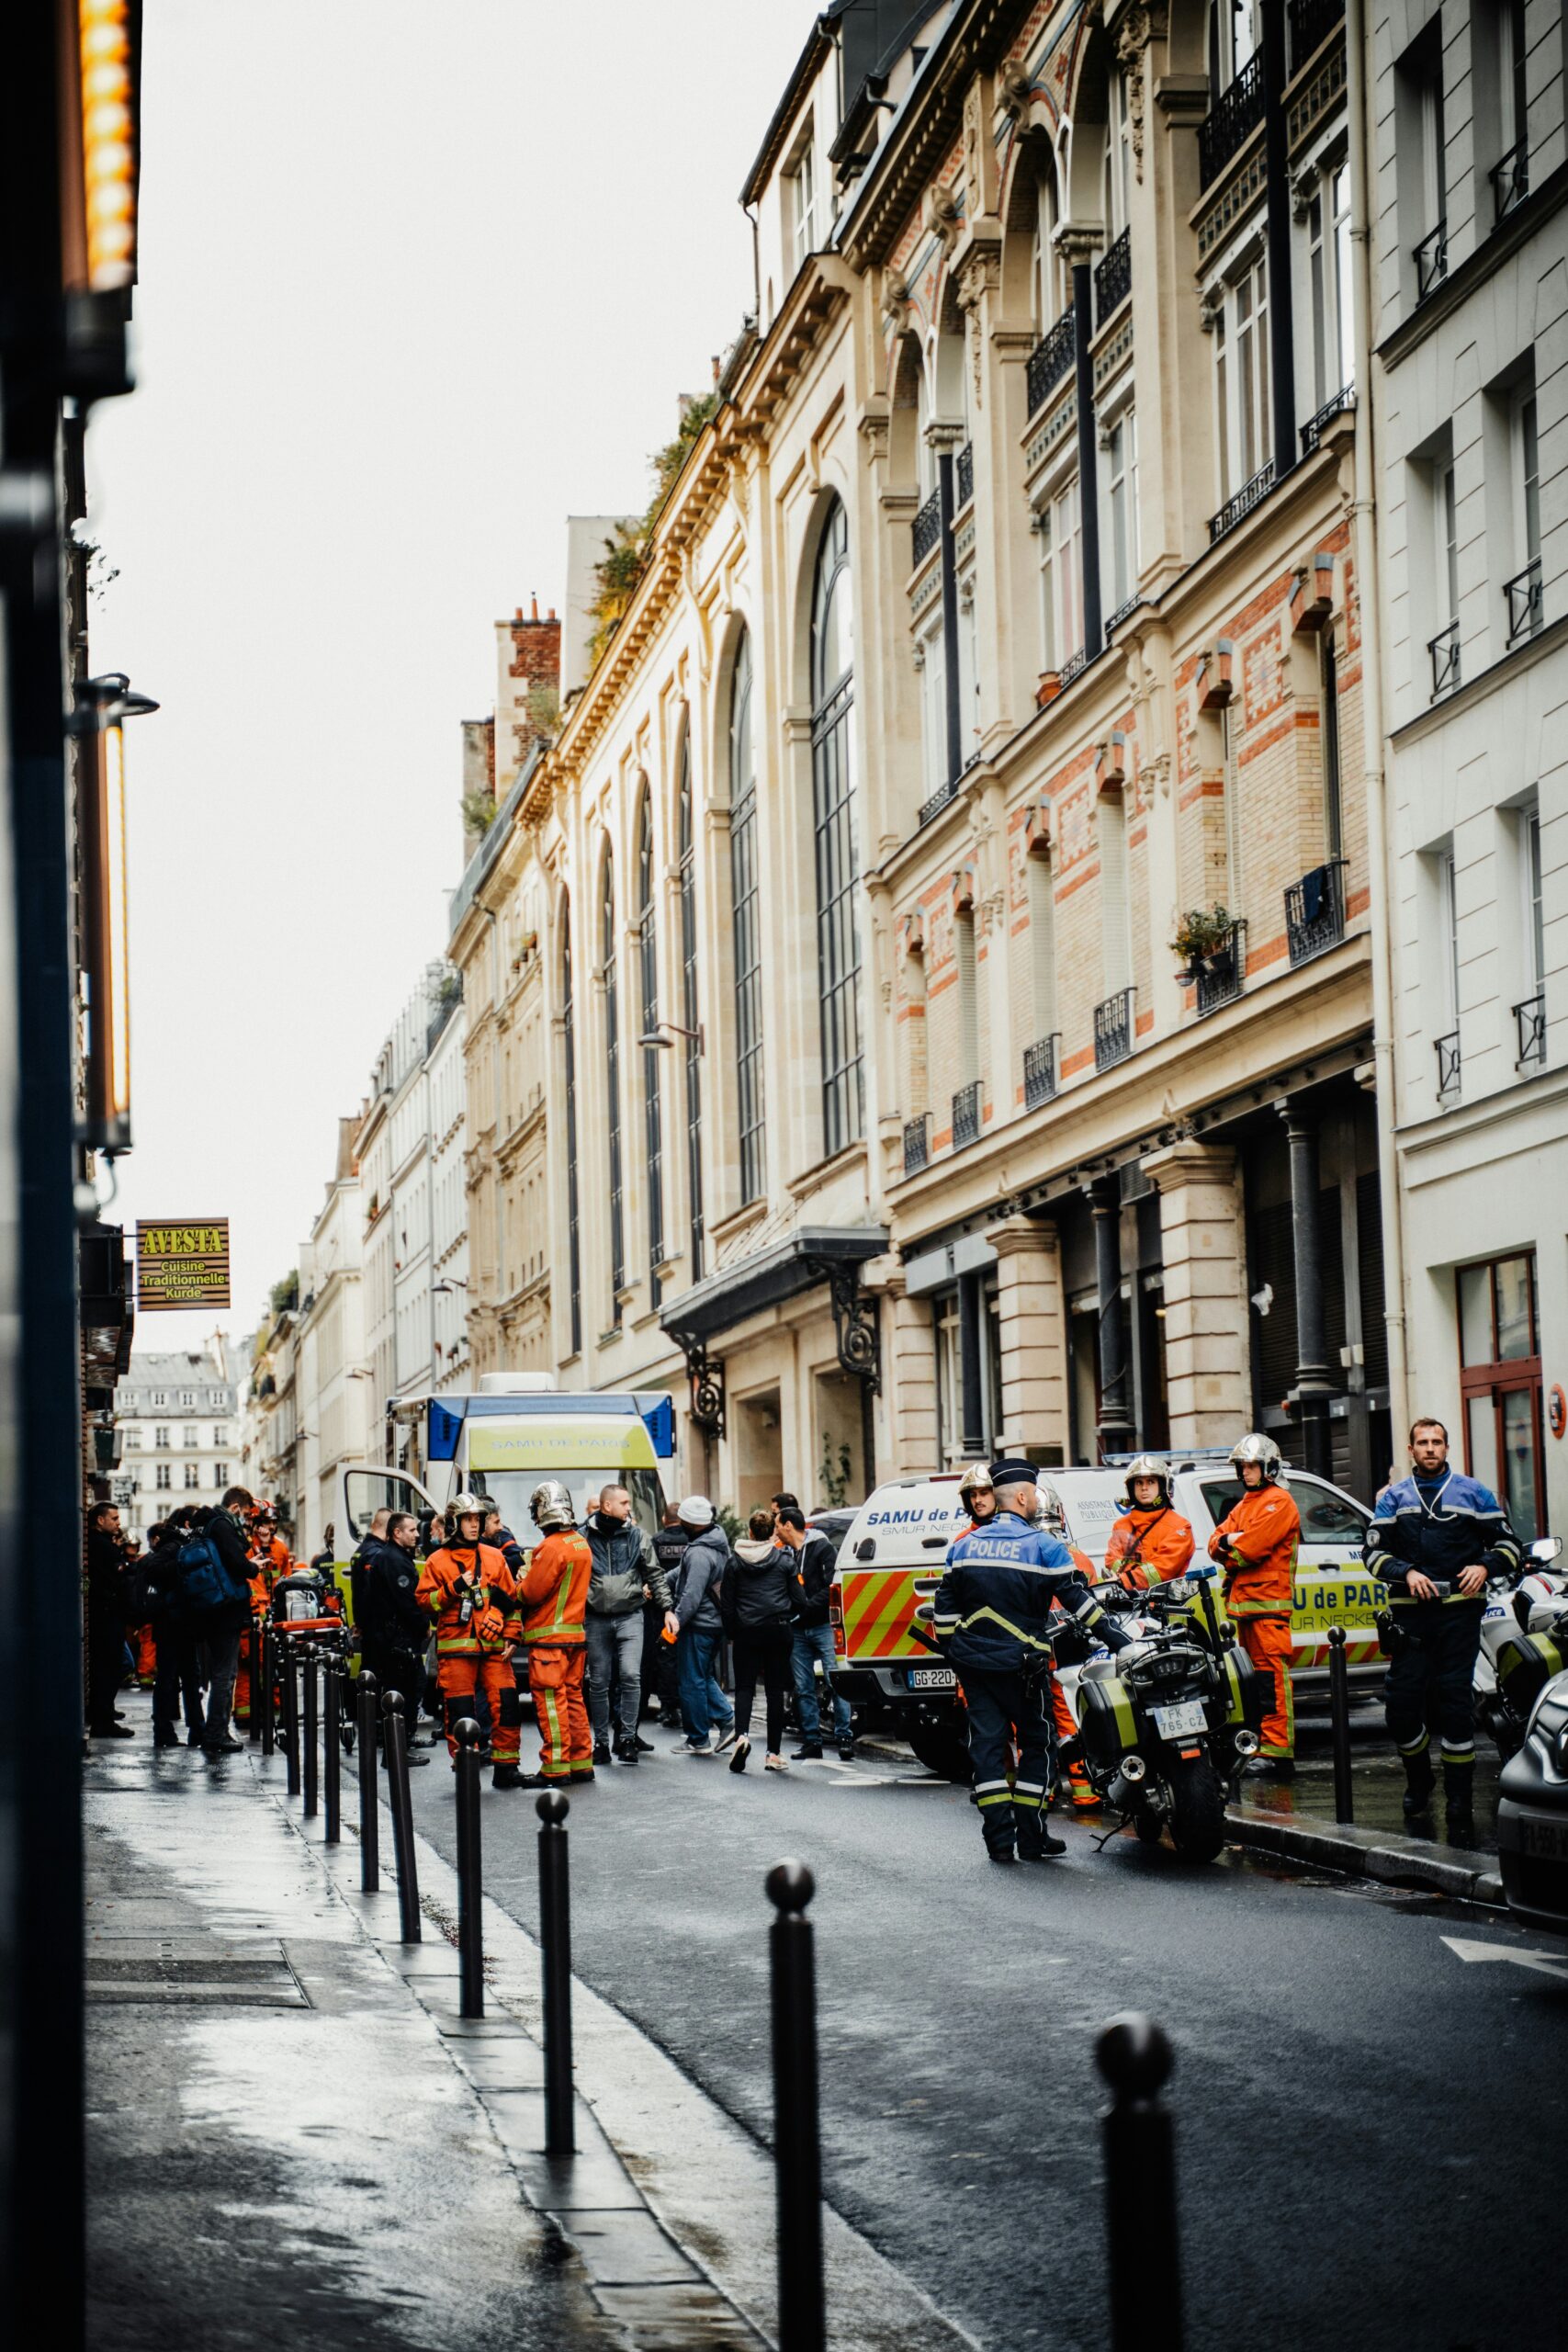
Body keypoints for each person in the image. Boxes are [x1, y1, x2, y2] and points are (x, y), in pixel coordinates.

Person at [932, 1460, 1130, 1864]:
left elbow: (944, 1616)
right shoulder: (1045, 1546)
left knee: (987, 1751)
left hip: (976, 1670)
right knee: (1037, 1747)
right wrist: (1122, 1643)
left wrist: (960, 1654)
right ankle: (1032, 1839)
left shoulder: (963, 1547)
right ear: (1023, 1497)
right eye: (1034, 1494)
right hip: (1024, 1671)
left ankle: (1000, 1843)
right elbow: (1082, 1606)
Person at [1364, 1416, 1520, 1838]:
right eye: (1422, 1442)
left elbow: (1510, 1547)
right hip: (1410, 1617)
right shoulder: (1393, 1499)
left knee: (1455, 1707)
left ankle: (1459, 1797)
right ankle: (1419, 1781)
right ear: (1411, 1450)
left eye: (1437, 1442)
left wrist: (1484, 1566)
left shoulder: (1474, 1492)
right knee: (1400, 1707)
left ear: (1446, 1448)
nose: (1430, 1448)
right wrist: (1407, 1572)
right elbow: (1372, 1556)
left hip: (1458, 1616)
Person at [1207, 1434, 1301, 1781]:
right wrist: (1229, 1543)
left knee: (1271, 1683)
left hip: (1269, 1610)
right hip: (1246, 1608)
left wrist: (1230, 1548)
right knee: (1254, 1685)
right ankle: (1261, 1747)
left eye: (1251, 1466)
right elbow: (1214, 1543)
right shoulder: (1247, 1503)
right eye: (1242, 1466)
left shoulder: (1279, 1502)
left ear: (1269, 1467)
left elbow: (1250, 1549)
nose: (1246, 1472)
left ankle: (1278, 1754)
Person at [416, 1492, 525, 1789]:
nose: (475, 1525)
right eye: (468, 1520)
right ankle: (465, 1768)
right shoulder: (437, 1561)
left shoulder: (494, 1556)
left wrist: (512, 1634)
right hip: (456, 1651)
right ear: (454, 1523)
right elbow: (425, 1603)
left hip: (493, 1648)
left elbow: (510, 1600)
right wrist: (453, 1587)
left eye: (477, 1519)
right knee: (460, 1710)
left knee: (507, 1703)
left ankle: (506, 1767)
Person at [583, 1485, 676, 1765]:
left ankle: (626, 1739)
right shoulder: (583, 1537)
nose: (629, 1507)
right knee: (598, 1682)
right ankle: (600, 1742)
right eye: (623, 1502)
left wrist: (668, 1609)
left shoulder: (638, 1536)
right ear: (606, 1506)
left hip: (630, 1615)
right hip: (596, 1618)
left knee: (630, 1677)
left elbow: (656, 1574)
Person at [515, 1479, 593, 1784]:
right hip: (575, 1637)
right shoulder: (580, 1542)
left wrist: (517, 1587)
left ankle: (555, 1767)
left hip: (549, 1640)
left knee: (551, 1702)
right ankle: (580, 1762)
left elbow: (532, 1593)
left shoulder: (549, 1547)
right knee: (574, 1698)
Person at [722, 1509, 798, 1774]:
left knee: (744, 1689)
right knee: (774, 1692)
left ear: (750, 1532)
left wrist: (733, 1633)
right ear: (771, 1533)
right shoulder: (784, 1561)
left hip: (746, 1632)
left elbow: (727, 1605)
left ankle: (742, 1736)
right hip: (777, 1631)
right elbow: (798, 1599)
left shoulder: (734, 1563)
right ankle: (773, 1754)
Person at [775, 1507, 853, 1760]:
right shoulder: (785, 1554)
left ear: (788, 1526)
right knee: (803, 1686)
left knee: (836, 1682)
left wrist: (805, 1608)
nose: (776, 1531)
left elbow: (831, 1584)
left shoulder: (822, 1548)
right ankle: (812, 1741)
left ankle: (844, 1737)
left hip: (821, 1625)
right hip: (797, 1629)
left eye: (778, 1526)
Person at [359, 1512, 432, 1768]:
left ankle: (399, 1748)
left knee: (408, 1688)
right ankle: (396, 1751)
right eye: (411, 1530)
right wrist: (424, 1625)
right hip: (397, 1638)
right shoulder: (394, 1560)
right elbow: (407, 1601)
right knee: (403, 1693)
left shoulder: (394, 1557)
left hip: (393, 1636)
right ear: (397, 1533)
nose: (416, 1534)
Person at [670, 1496, 736, 1755]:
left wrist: (676, 1621)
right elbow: (681, 1573)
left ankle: (698, 1738)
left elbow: (691, 1595)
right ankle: (728, 1721)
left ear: (690, 1522)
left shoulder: (698, 1551)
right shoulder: (716, 1542)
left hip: (699, 1624)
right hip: (714, 1623)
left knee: (691, 1681)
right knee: (703, 1676)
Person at [195, 1487, 258, 1754]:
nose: (245, 1520)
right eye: (244, 1514)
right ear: (235, 1508)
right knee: (225, 1674)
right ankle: (216, 1733)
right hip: (226, 1612)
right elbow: (238, 1563)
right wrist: (255, 1565)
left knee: (222, 1672)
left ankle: (215, 1731)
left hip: (214, 1609)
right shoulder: (222, 1525)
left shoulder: (209, 1524)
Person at [146, 1513, 205, 1748]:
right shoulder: (173, 1546)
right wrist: (182, 1564)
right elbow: (155, 1571)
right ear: (187, 1524)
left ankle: (194, 1730)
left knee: (188, 1678)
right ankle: (166, 1731)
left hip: (180, 1622)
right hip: (172, 1623)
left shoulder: (178, 1545)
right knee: (172, 1679)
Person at [1105, 1457, 1195, 1589]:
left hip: (1164, 1605)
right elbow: (1111, 1560)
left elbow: (1163, 1569)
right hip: (1129, 1604)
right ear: (1131, 1488)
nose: (1144, 1488)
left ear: (1163, 1486)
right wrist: (1130, 1576)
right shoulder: (1121, 1525)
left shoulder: (1180, 1527)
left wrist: (1125, 1579)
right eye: (1139, 1483)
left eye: (1151, 1482)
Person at [85, 1499, 134, 1737]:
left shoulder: (95, 1544)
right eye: (114, 1518)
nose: (118, 1523)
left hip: (102, 1614)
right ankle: (103, 1720)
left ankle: (102, 1715)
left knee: (107, 1667)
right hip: (107, 1616)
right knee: (110, 1666)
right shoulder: (103, 1547)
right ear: (100, 1520)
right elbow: (117, 1582)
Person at [646, 1504, 690, 1731]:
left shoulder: (657, 1540)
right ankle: (687, 1704)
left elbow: (650, 1572)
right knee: (688, 1657)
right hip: (687, 1607)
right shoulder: (690, 1540)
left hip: (662, 1609)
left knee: (665, 1656)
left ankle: (667, 1706)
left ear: (664, 1519)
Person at [957, 1464, 997, 1529]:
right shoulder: (964, 1538)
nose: (977, 1500)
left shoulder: (1012, 1533)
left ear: (996, 1495)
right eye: (973, 1495)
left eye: (983, 1493)